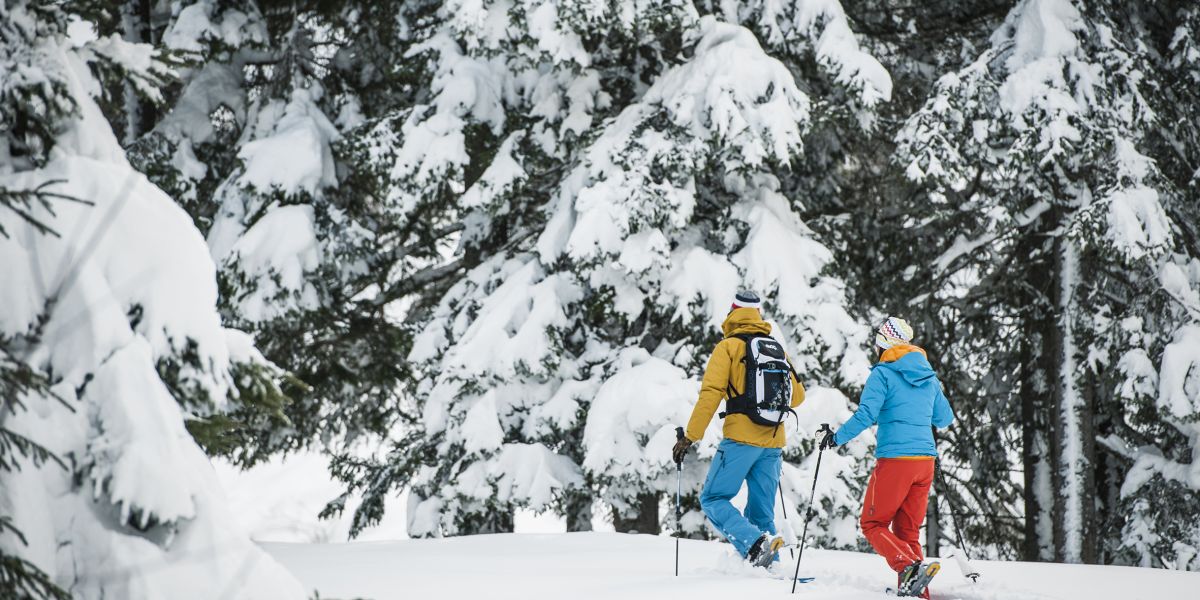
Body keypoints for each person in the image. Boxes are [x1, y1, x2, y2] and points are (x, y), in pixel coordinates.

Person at [819, 317, 954, 598]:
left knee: (872, 524)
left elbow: (865, 415)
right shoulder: (929, 377)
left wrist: (835, 438)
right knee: (907, 531)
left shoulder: (882, 374)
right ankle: (919, 592)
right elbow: (944, 418)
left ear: (883, 344)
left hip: (896, 461)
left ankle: (907, 567)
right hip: (925, 463)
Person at [672, 290, 805, 568]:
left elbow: (711, 393)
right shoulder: (775, 347)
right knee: (761, 514)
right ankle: (771, 565)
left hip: (740, 440)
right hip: (772, 442)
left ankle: (755, 545)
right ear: (758, 314)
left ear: (732, 312)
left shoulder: (728, 346)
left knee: (713, 498)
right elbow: (798, 396)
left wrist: (690, 437)